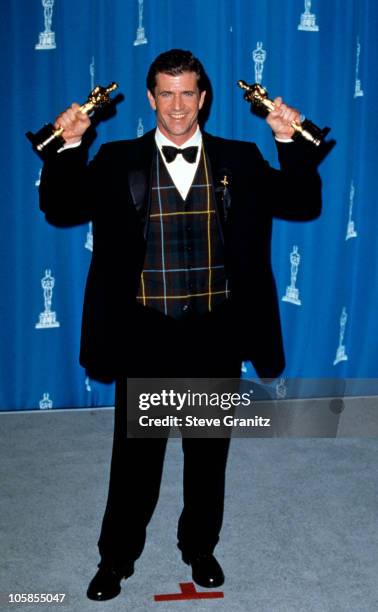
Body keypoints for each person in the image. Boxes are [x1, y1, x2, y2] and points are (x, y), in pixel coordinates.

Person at [38, 49, 322, 601]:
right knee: (136, 460)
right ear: (150, 99)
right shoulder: (119, 160)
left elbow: (303, 201)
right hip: (143, 331)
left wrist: (287, 139)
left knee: (207, 451)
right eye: (166, 94)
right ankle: (116, 559)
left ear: (204, 96)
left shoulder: (239, 159)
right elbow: (60, 206)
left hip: (215, 331)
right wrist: (69, 144)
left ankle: (199, 548)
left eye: (187, 92)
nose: (177, 106)